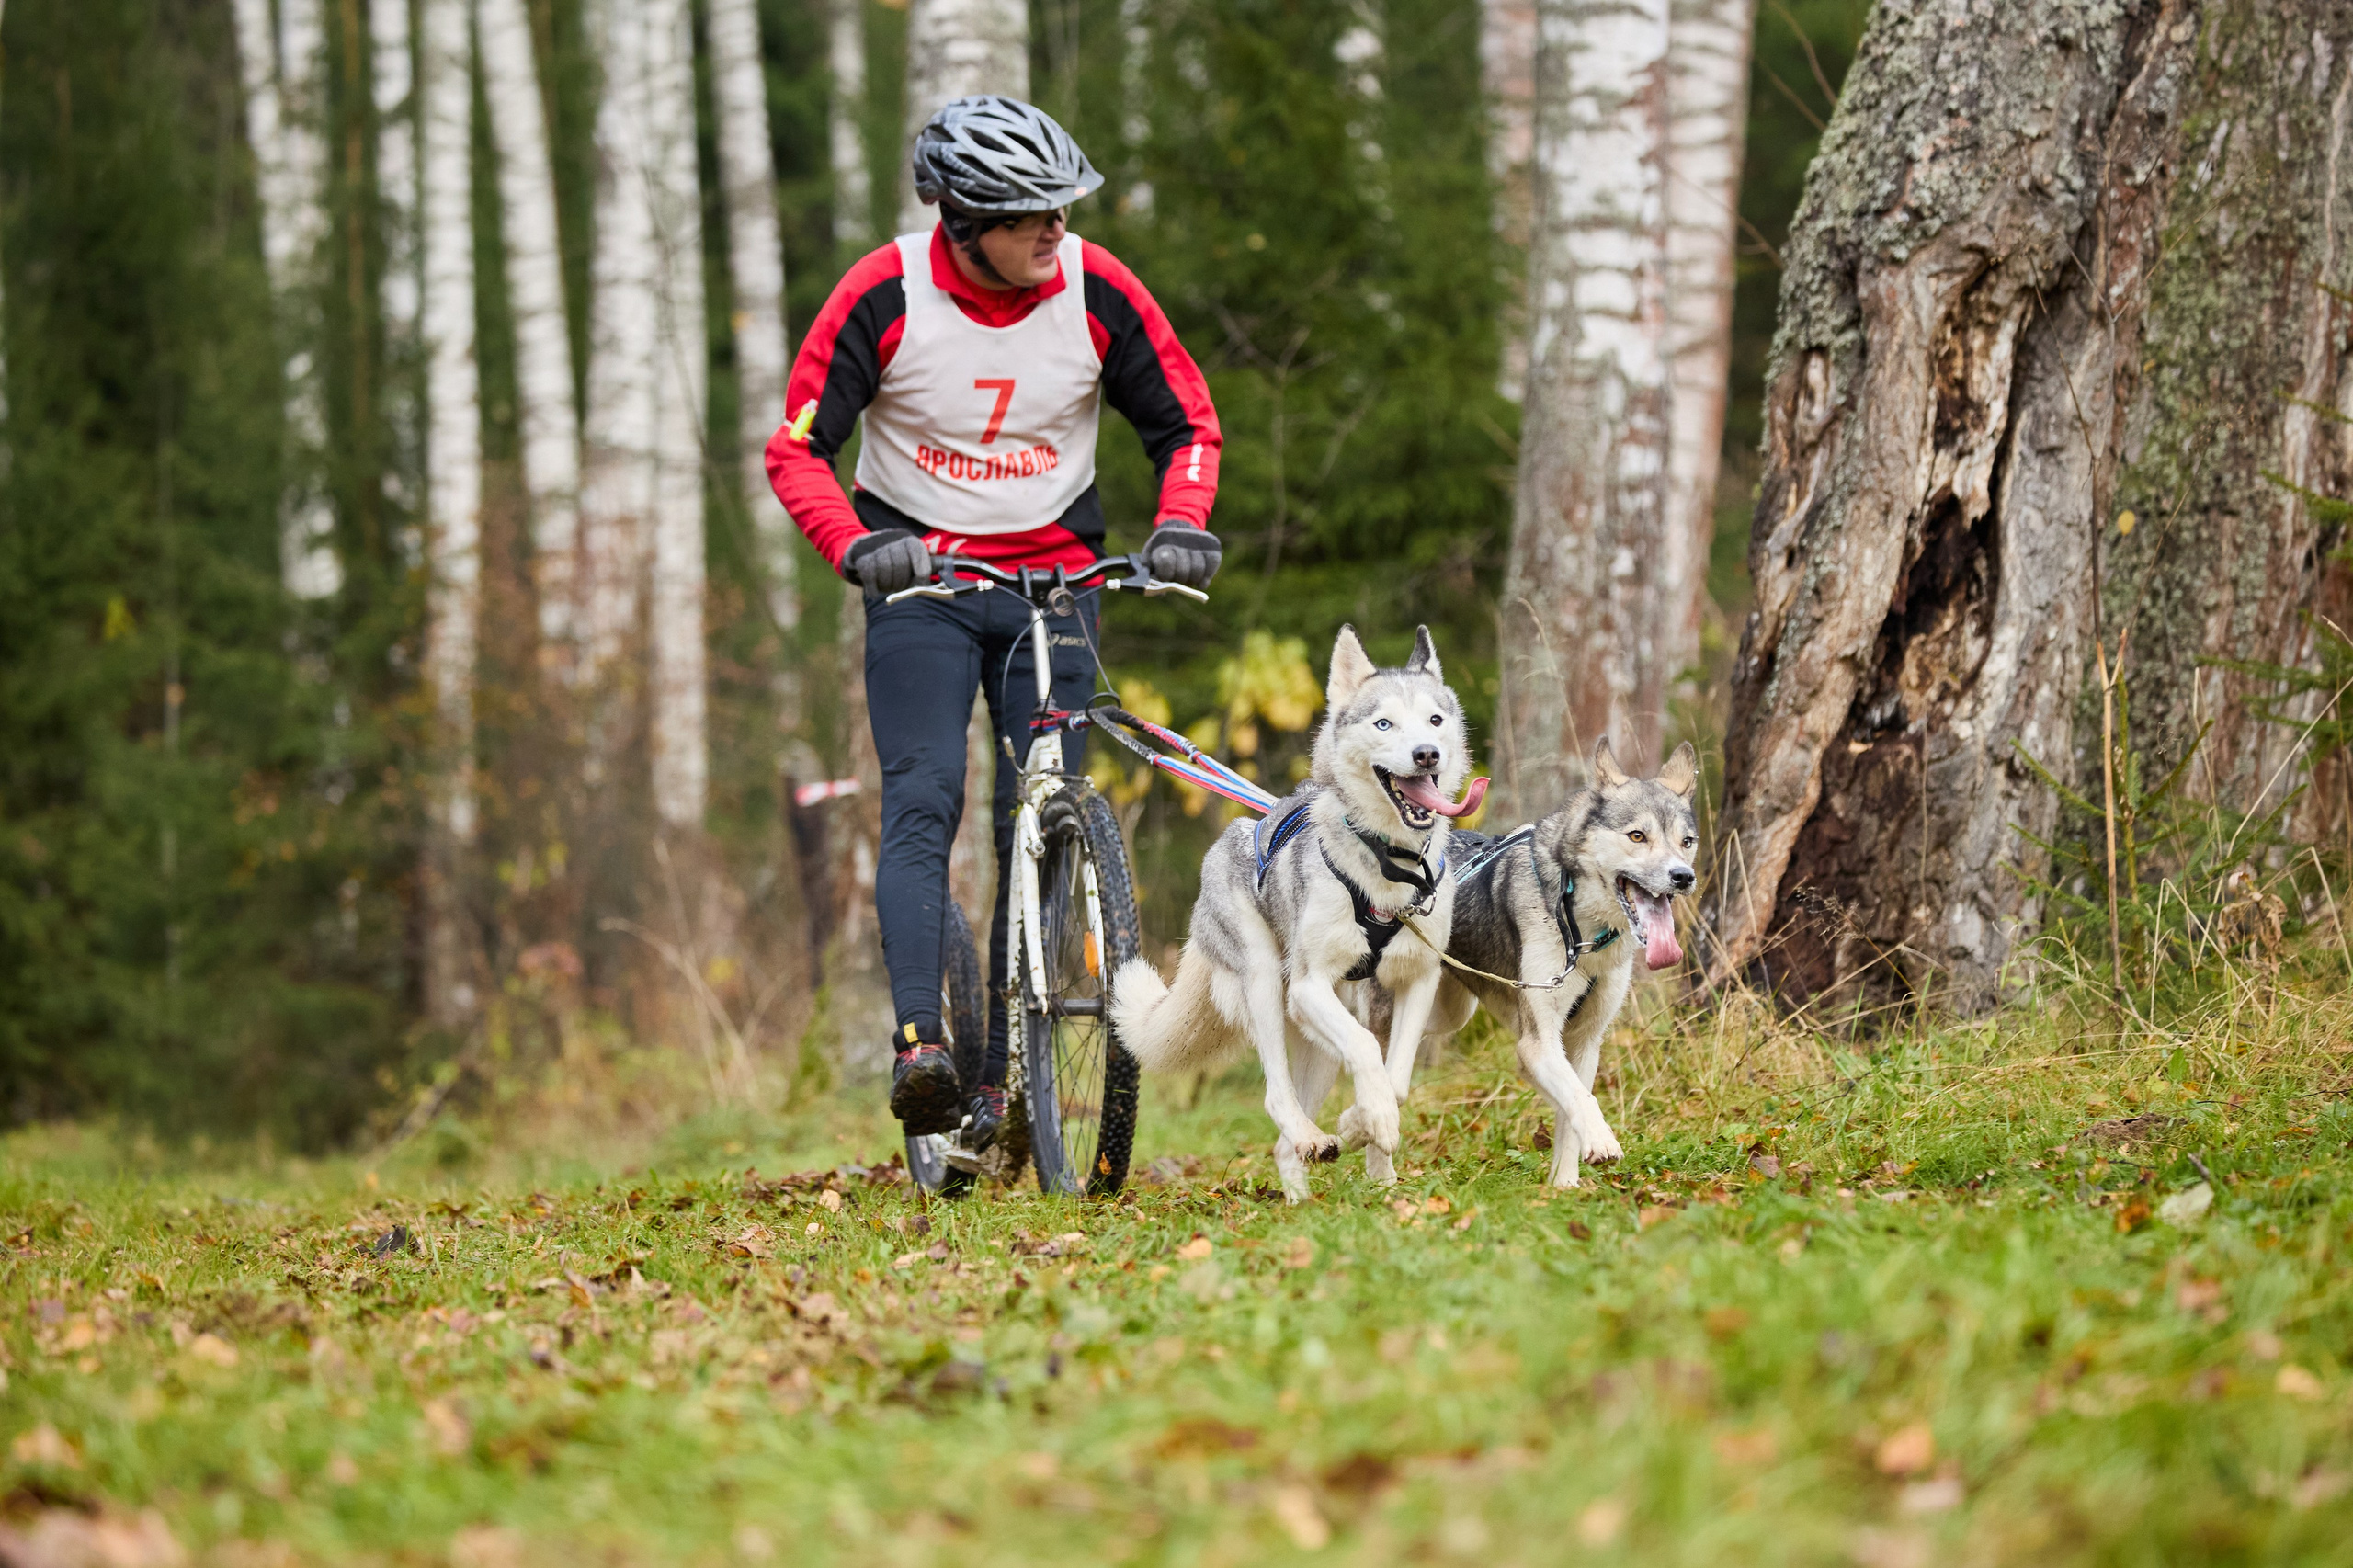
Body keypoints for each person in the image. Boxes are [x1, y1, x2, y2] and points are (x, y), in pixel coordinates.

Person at [767, 96, 1223, 1150]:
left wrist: (1182, 521)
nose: (1054, 232)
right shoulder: (883, 293)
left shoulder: (1097, 286)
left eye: (1062, 212)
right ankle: (924, 1047)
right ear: (961, 221)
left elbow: (1184, 423)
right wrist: (854, 544)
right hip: (923, 585)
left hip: (1057, 583)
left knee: (1044, 799)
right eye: (1029, 218)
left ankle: (1015, 1072)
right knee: (926, 795)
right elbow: (797, 449)